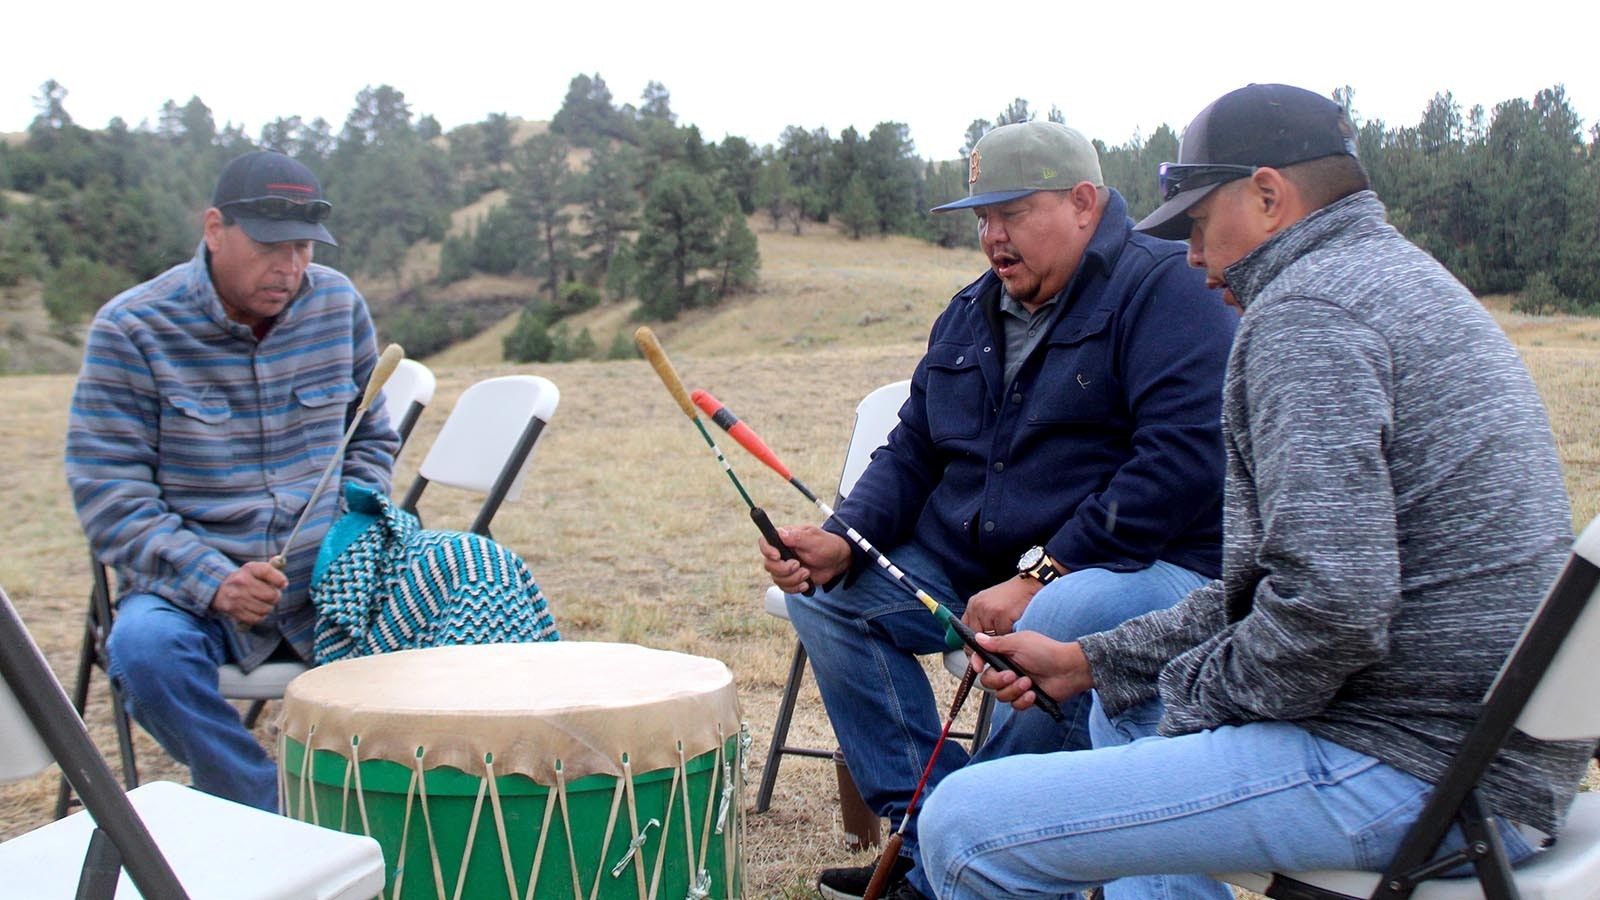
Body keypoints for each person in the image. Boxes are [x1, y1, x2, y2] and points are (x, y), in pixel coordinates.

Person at [915, 84, 1595, 900]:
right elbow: (1273, 588)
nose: (1195, 263)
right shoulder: (1401, 282)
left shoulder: (1308, 314)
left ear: (1269, 196)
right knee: (1118, 709)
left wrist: (1189, 691)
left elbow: (1329, 614)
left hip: (1413, 769)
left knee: (962, 827)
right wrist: (1091, 661)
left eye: (1199, 227)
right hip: (1484, 756)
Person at [760, 120, 1238, 899]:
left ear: (1085, 203)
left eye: (1011, 213)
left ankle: (972, 844)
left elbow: (1179, 464)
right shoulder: (970, 312)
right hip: (974, 572)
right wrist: (842, 542)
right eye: (982, 219)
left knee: (1064, 614)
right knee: (826, 599)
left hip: (1131, 572)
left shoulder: (1165, 289)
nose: (992, 237)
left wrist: (1040, 575)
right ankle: (940, 832)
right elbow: (912, 450)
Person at [65, 150, 399, 812]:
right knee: (143, 650)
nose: (292, 266)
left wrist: (347, 542)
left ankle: (410, 814)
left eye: (304, 246)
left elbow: (370, 438)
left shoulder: (337, 304)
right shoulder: (132, 329)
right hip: (192, 595)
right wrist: (214, 580)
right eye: (272, 246)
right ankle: (268, 813)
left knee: (468, 589)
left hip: (328, 584)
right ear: (215, 229)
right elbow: (110, 493)